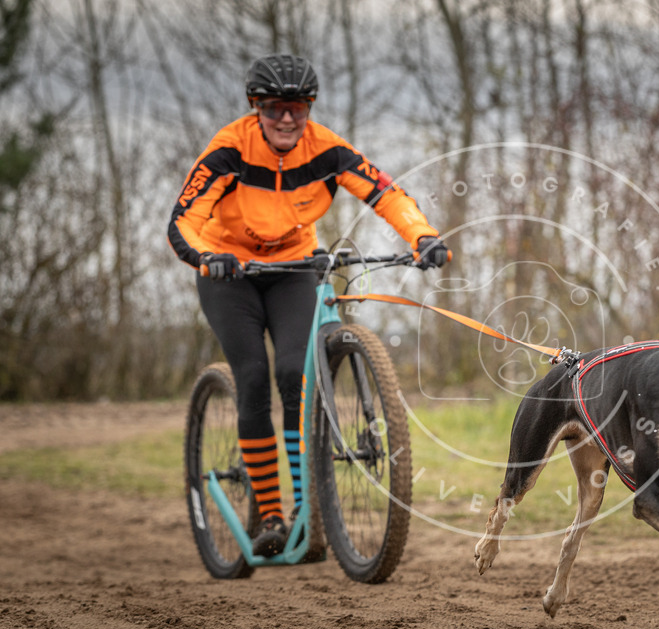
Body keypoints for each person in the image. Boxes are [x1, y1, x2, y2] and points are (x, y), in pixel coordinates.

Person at [168, 54, 449, 557]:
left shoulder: (326, 149)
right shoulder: (230, 148)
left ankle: (307, 508)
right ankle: (271, 512)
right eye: (274, 107)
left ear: (309, 108)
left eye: (297, 107)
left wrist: (422, 235)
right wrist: (207, 256)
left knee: (297, 373)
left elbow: (385, 193)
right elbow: (184, 218)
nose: (285, 119)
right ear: (256, 107)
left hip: (293, 267)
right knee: (253, 377)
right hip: (230, 273)